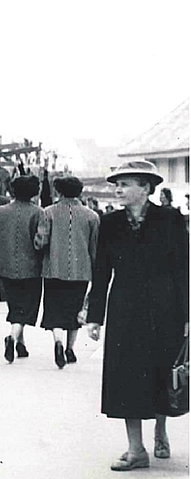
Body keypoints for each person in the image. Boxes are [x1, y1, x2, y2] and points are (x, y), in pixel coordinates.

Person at [85, 160, 189, 471]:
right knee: (125, 376)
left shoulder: (170, 219)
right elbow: (101, 270)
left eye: (126, 183)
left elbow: (183, 269)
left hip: (165, 308)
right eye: (116, 184)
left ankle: (160, 429)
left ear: (145, 188)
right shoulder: (110, 223)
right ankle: (135, 449)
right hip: (125, 308)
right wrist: (95, 316)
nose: (118, 189)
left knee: (160, 372)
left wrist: (187, 315)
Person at [33, 176, 99, 368]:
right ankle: (70, 349)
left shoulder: (48, 212)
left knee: (54, 310)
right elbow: (94, 248)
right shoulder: (92, 216)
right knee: (74, 310)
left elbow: (41, 241)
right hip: (81, 271)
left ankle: (58, 343)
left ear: (59, 192)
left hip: (53, 269)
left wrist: (38, 246)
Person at [0, 175, 43, 363]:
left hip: (5, 267)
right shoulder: (38, 212)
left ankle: (21, 344)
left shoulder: (0, 211)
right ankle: (12, 338)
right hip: (31, 268)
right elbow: (40, 242)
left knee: (15, 305)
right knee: (26, 308)